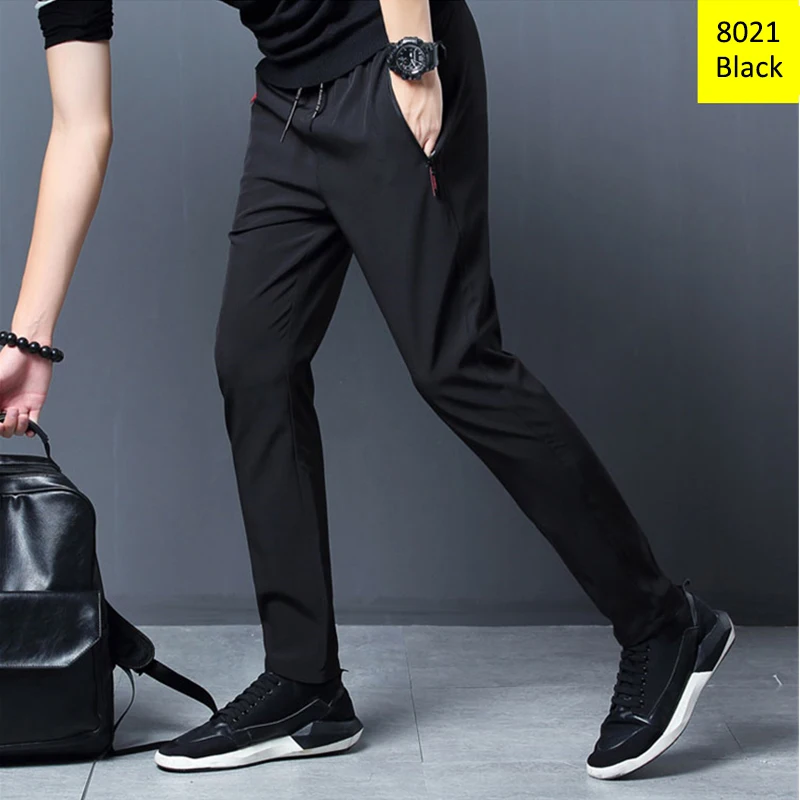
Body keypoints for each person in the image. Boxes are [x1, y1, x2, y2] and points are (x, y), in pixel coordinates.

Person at [5, 0, 735, 779]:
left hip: (388, 51)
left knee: (454, 360)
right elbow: (80, 127)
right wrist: (27, 342)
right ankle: (305, 686)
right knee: (254, 365)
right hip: (290, 102)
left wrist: (413, 54)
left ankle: (662, 620)